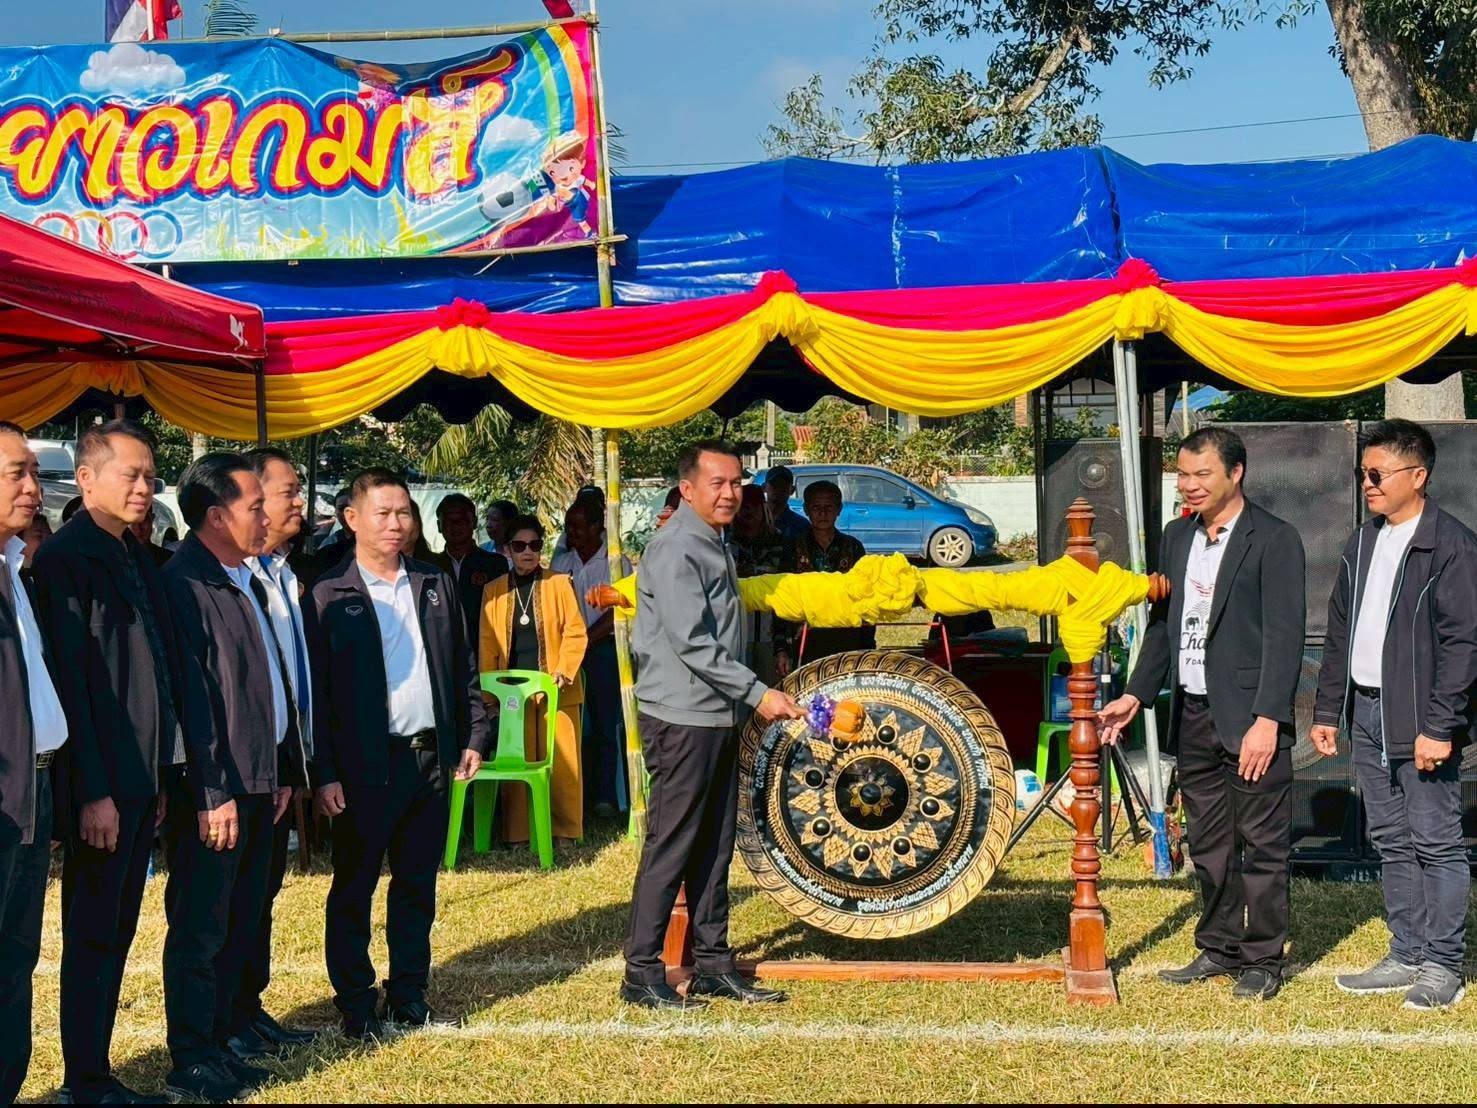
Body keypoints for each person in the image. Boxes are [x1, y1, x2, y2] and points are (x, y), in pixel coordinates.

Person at [1098, 427, 1305, 1002]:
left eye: (1202, 475)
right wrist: (1137, 693)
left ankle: (1262, 958)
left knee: (1261, 844)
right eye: (1183, 475)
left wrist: (1269, 718)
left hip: (1251, 716)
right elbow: (1162, 627)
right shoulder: (1176, 536)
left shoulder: (1275, 538)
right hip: (1192, 712)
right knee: (1209, 842)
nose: (1189, 485)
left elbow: (1285, 637)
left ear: (1236, 473)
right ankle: (1218, 945)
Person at [622, 440, 803, 1011]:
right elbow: (692, 642)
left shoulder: (713, 539)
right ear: (687, 488)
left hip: (717, 713)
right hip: (682, 717)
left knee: (715, 844)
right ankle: (642, 971)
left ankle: (713, 963)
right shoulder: (677, 547)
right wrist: (758, 693)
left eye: (737, 482)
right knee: (673, 843)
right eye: (717, 483)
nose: (730, 493)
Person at [32, 419, 183, 1104]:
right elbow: (75, 681)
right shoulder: (68, 559)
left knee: (117, 929)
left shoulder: (131, 552)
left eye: (150, 475)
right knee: (94, 932)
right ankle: (85, 1078)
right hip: (103, 781)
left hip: (140, 774)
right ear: (87, 479)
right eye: (132, 474)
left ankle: (97, 1071)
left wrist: (158, 773)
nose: (145, 487)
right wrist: (92, 790)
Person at [306, 469, 487, 1039]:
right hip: (364, 768)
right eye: (382, 513)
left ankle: (409, 994)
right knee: (354, 887)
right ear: (351, 519)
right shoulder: (327, 592)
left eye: (403, 512)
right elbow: (318, 695)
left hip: (429, 760)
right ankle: (356, 1003)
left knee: (416, 885)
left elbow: (462, 665)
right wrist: (325, 772)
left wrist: (473, 735)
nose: (395, 523)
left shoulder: (433, 582)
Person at [1311, 420, 1477, 1011]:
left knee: (1436, 841)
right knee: (1391, 839)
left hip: (1421, 718)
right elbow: (1339, 631)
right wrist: (1327, 709)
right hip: (1367, 711)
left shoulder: (1451, 545)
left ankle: (1442, 965)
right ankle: (1406, 953)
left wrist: (1439, 726)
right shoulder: (1362, 541)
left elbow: (1464, 645)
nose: (1368, 483)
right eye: (1364, 473)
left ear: (1418, 476)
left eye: (1378, 473)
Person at [160, 453, 309, 1102]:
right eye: (254, 507)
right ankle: (193, 1055)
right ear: (217, 517)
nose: (266, 517)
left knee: (241, 916)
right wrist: (212, 790)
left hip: (257, 778)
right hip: (217, 789)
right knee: (201, 927)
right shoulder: (185, 584)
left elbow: (265, 682)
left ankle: (225, 1037)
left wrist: (279, 770)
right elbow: (193, 700)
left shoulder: (243, 575)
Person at [235, 449, 319, 1056]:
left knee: (262, 891)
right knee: (233, 900)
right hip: (241, 767)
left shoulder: (282, 572)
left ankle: (248, 1005)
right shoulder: (236, 576)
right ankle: (224, 1020)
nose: (299, 502)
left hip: (280, 761)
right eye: (288, 491)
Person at [0, 423, 68, 1105]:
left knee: (16, 956)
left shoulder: (16, 569)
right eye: (16, 473)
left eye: (33, 473)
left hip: (33, 787)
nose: (33, 488)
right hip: (5, 791)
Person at [480, 514, 589, 844]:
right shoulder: (493, 590)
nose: (528, 552)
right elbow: (487, 645)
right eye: (520, 546)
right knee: (517, 762)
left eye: (535, 545)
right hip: (513, 694)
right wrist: (489, 698)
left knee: (564, 764)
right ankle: (519, 834)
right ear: (507, 550)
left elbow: (575, 632)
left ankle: (565, 832)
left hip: (557, 689)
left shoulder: (560, 583)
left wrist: (564, 670)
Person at [553, 495, 632, 819]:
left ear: (598, 527)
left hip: (603, 651)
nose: (571, 532)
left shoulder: (616, 562)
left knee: (604, 724)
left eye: (578, 526)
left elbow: (621, 609)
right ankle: (577, 798)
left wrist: (585, 639)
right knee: (573, 726)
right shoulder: (561, 563)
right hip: (568, 653)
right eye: (568, 526)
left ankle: (605, 798)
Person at [773, 479, 873, 676]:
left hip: (848, 638)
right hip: (804, 639)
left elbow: (866, 598)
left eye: (829, 507)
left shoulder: (853, 547)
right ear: (806, 510)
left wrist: (867, 646)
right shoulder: (793, 547)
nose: (822, 513)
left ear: (839, 509)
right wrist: (780, 649)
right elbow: (782, 598)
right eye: (816, 508)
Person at [430, 493, 509, 646]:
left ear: (474, 522)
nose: (455, 526)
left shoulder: (495, 564)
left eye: (462, 520)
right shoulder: (430, 567)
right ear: (439, 526)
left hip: (485, 648)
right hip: (443, 648)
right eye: (449, 521)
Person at [730, 485, 783, 579]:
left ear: (764, 509)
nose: (749, 510)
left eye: (754, 505)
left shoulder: (778, 538)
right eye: (744, 505)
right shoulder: (726, 538)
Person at [762, 465, 809, 541]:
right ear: (764, 487)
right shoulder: (752, 520)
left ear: (792, 490)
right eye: (774, 485)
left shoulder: (801, 525)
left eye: (783, 485)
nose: (779, 489)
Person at [128, 504, 172, 569]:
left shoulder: (171, 561)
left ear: (152, 519)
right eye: (130, 521)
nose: (138, 528)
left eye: (143, 519)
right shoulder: (115, 564)